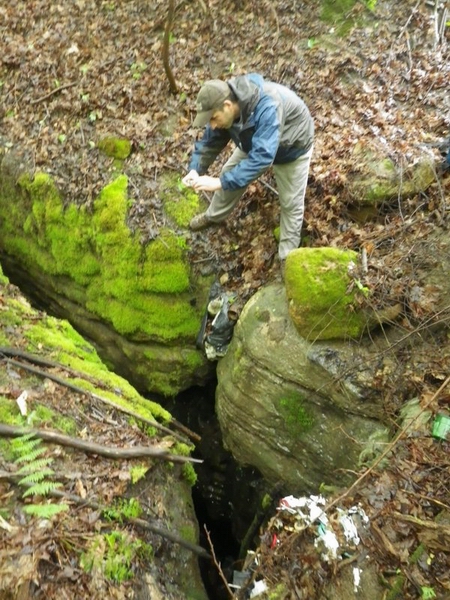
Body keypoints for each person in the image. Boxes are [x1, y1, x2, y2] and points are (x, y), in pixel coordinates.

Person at [182, 73, 314, 267]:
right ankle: (214, 216)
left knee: (290, 203)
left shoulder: (267, 105)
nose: (212, 125)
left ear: (227, 106)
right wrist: (195, 169)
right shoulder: (225, 108)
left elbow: (262, 158)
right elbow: (210, 142)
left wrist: (219, 182)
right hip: (254, 141)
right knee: (230, 172)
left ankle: (287, 258)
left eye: (213, 118)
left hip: (292, 147)